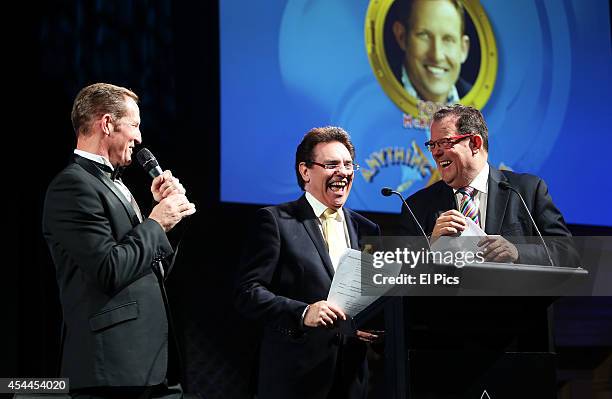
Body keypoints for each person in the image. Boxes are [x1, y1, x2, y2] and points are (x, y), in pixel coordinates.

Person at [42, 83, 196, 398]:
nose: (139, 138)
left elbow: (148, 267)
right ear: (108, 123)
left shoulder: (113, 185)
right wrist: (156, 221)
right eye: (135, 125)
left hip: (152, 365)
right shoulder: (72, 186)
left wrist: (171, 221)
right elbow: (109, 269)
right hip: (112, 371)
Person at [235, 127, 381, 399]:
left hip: (353, 380)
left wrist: (370, 323)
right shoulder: (276, 221)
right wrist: (303, 313)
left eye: (349, 165)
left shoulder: (367, 229)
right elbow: (248, 293)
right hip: (295, 379)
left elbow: (370, 297)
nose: (343, 172)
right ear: (305, 171)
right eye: (331, 164)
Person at [399, 104, 578, 266]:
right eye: (432, 145)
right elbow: (401, 274)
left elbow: (567, 253)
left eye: (445, 142)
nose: (436, 152)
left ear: (475, 143)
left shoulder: (527, 191)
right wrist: (431, 246)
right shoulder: (417, 206)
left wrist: (517, 253)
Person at [392, 0, 471, 104]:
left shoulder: (487, 111)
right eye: (424, 35)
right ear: (401, 36)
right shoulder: (375, 96)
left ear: (463, 49)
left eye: (448, 39)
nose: (437, 56)